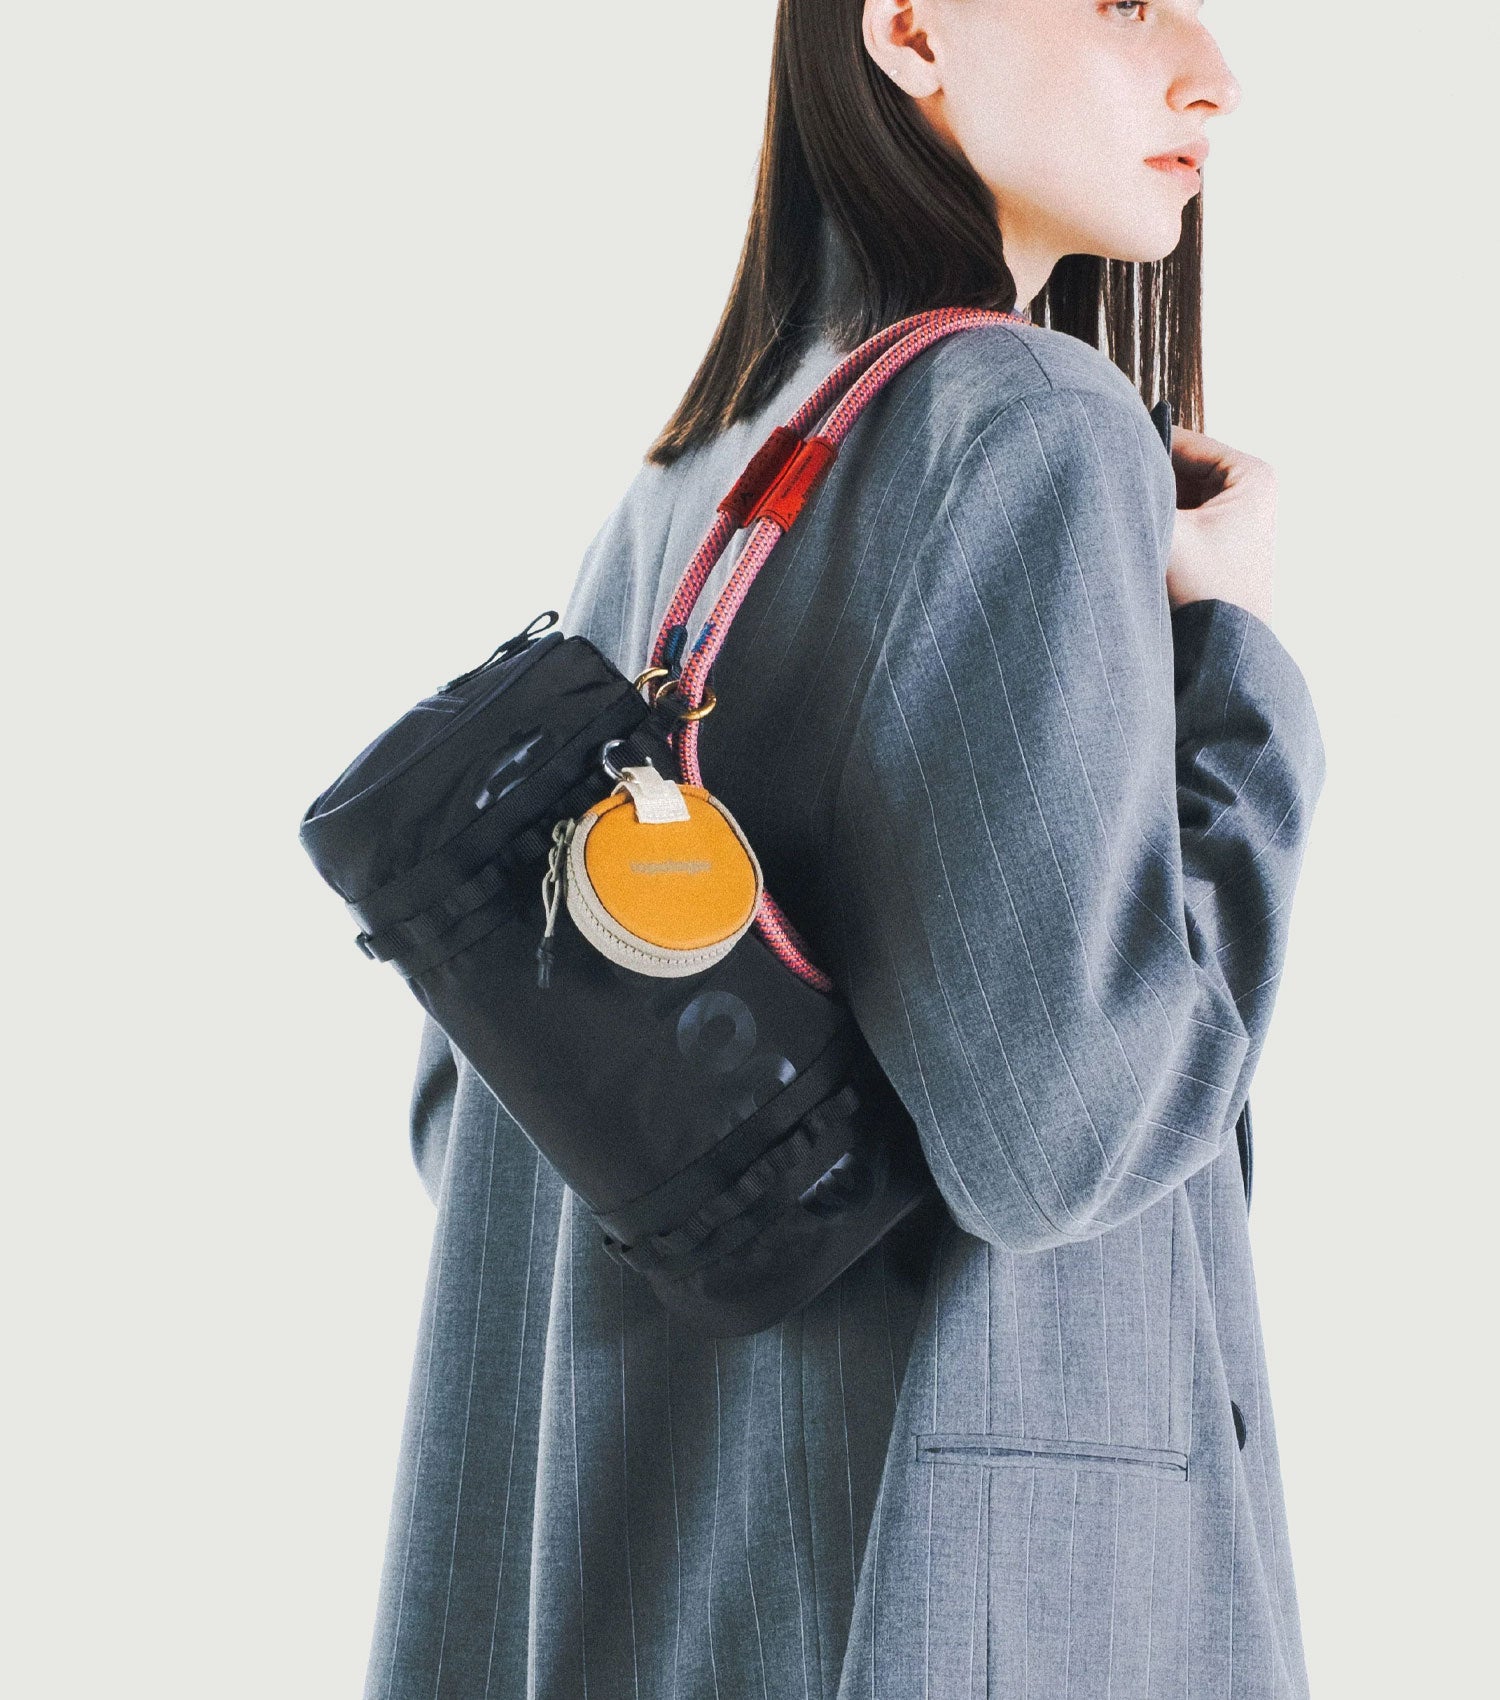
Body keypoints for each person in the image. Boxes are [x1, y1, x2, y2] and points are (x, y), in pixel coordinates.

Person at [364, 3, 1326, 1695]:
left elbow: (478, 1118)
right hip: (948, 1595)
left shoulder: (679, 492)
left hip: (642, 1575)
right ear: (907, 28)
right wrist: (1237, 670)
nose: (1211, 72)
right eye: (1120, 0)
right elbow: (1068, 1142)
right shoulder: (1026, 417)